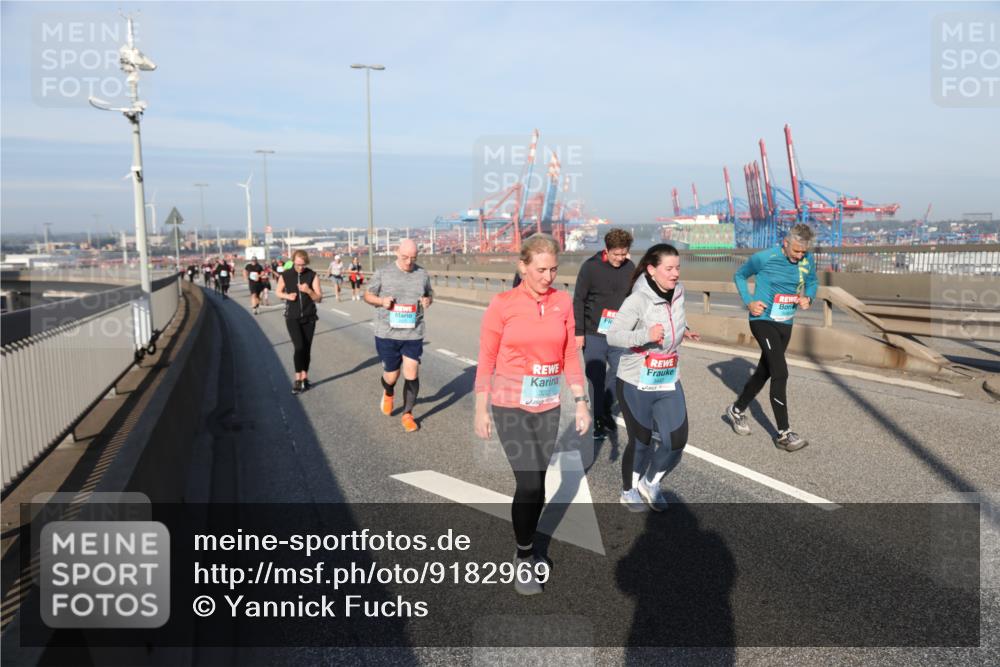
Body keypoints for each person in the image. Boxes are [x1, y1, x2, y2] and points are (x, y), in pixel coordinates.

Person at [474, 233, 590, 595]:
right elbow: (486, 358)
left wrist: (581, 400)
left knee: (537, 483)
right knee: (528, 484)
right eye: (540, 269)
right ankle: (524, 557)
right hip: (509, 404)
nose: (548, 276)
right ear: (522, 266)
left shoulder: (562, 302)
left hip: (548, 405)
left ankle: (525, 541)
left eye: (553, 269)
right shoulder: (503, 304)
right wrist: (481, 408)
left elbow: (569, 354)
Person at [606, 244, 699, 512]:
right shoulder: (638, 299)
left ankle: (650, 482)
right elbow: (614, 336)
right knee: (641, 441)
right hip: (636, 379)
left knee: (676, 441)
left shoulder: (678, 291)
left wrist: (682, 330)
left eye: (677, 268)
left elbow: (672, 317)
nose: (675, 274)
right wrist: (645, 335)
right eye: (668, 269)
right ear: (651, 270)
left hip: (667, 375)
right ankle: (629, 490)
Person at [725, 223, 818, 451]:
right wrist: (749, 301)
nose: (799, 255)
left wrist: (809, 297)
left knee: (764, 371)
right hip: (762, 320)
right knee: (780, 372)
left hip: (785, 322)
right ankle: (784, 434)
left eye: (803, 251)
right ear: (785, 243)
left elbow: (812, 282)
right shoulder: (764, 257)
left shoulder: (807, 260)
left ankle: (736, 410)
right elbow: (740, 275)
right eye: (796, 250)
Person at [364, 239, 433, 433]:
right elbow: (367, 295)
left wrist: (428, 300)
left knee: (412, 372)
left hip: (413, 332)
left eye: (413, 258)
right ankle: (388, 392)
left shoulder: (422, 274)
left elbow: (429, 293)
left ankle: (407, 414)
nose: (409, 262)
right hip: (387, 333)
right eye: (405, 257)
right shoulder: (383, 272)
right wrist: (381, 301)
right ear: (396, 252)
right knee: (392, 375)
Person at [573, 228, 635, 437]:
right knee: (596, 378)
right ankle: (598, 419)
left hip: (619, 334)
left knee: (621, 375)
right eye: (616, 254)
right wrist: (579, 332)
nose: (620, 258)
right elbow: (579, 299)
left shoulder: (629, 267)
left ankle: (604, 408)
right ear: (606, 250)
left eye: (624, 253)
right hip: (593, 333)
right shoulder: (590, 267)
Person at [277, 250, 323, 394]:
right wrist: (287, 296)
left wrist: (309, 291)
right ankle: (297, 379)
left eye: (303, 265)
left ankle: (305, 378)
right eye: (298, 264)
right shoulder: (285, 275)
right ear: (293, 261)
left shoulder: (312, 275)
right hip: (292, 317)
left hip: (309, 317)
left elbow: (319, 298)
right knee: (299, 347)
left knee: (307, 349)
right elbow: (278, 292)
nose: (300, 267)